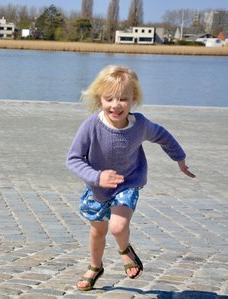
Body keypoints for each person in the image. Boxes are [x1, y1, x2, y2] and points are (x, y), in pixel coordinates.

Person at [66, 65, 196, 291]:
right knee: (97, 232)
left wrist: (180, 159)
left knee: (117, 226)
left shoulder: (140, 125)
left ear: (133, 98)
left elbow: (163, 136)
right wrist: (96, 176)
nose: (115, 105)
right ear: (100, 98)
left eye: (123, 99)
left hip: (128, 184)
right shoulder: (91, 126)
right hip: (97, 188)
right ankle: (95, 267)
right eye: (109, 99)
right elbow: (73, 159)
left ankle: (125, 250)